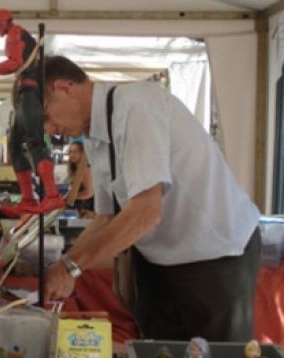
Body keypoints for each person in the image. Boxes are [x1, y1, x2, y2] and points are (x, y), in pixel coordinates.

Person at [41, 55, 261, 342]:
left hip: (215, 257)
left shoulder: (136, 107)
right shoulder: (94, 135)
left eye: (45, 116)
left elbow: (146, 212)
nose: (49, 129)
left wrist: (72, 266)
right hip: (160, 263)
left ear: (63, 88)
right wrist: (64, 265)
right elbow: (105, 219)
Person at [0, 8, 64, 216]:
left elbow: (14, 63)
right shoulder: (15, 33)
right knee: (16, 146)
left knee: (34, 142)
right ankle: (28, 198)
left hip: (30, 92)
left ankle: (52, 195)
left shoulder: (16, 33)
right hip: (27, 92)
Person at [66, 139, 94, 215]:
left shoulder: (85, 169)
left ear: (82, 153)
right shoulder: (75, 169)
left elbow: (89, 193)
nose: (72, 155)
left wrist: (70, 197)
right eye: (70, 152)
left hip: (87, 210)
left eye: (75, 152)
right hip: (79, 209)